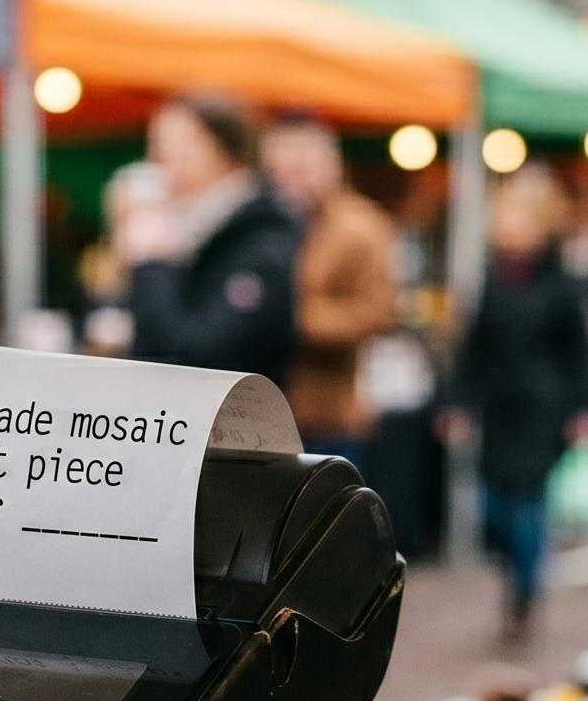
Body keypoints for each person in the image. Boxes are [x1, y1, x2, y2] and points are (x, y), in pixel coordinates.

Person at [442, 171, 588, 644]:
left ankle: (524, 596)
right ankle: (517, 578)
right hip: (498, 410)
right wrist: (457, 403)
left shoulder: (562, 285)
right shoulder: (492, 279)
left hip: (541, 412)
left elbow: (579, 354)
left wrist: (584, 409)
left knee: (528, 506)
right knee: (495, 507)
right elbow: (473, 350)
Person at [115, 93, 298, 384]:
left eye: (179, 147)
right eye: (157, 145)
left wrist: (152, 262)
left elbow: (196, 356)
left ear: (228, 152)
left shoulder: (259, 239)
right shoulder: (189, 229)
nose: (159, 160)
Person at [262, 112, 401, 459]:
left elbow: (377, 313)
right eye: (279, 171)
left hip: (327, 414)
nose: (289, 181)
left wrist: (290, 317)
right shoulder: (266, 225)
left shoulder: (361, 228)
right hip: (264, 412)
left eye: (300, 168)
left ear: (330, 165)